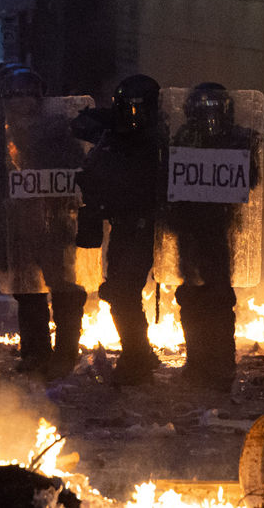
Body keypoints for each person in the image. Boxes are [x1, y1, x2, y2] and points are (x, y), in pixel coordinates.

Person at [0, 67, 89, 379]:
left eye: (25, 94)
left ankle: (64, 354)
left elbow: (75, 169)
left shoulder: (57, 130)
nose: (19, 101)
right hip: (19, 223)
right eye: (13, 95)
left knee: (63, 288)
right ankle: (35, 353)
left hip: (54, 221)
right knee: (27, 290)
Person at [167, 83, 260, 391]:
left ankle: (219, 367)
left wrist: (246, 151)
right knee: (192, 297)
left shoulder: (235, 139)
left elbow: (250, 180)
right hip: (189, 226)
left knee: (217, 298)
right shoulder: (183, 138)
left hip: (218, 227)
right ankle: (197, 364)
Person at [77, 74, 166, 385]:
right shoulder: (114, 135)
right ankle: (138, 354)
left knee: (122, 292)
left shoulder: (156, 142)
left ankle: (137, 357)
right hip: (122, 226)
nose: (132, 118)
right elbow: (81, 125)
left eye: (136, 110)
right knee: (118, 291)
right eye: (125, 110)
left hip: (140, 226)